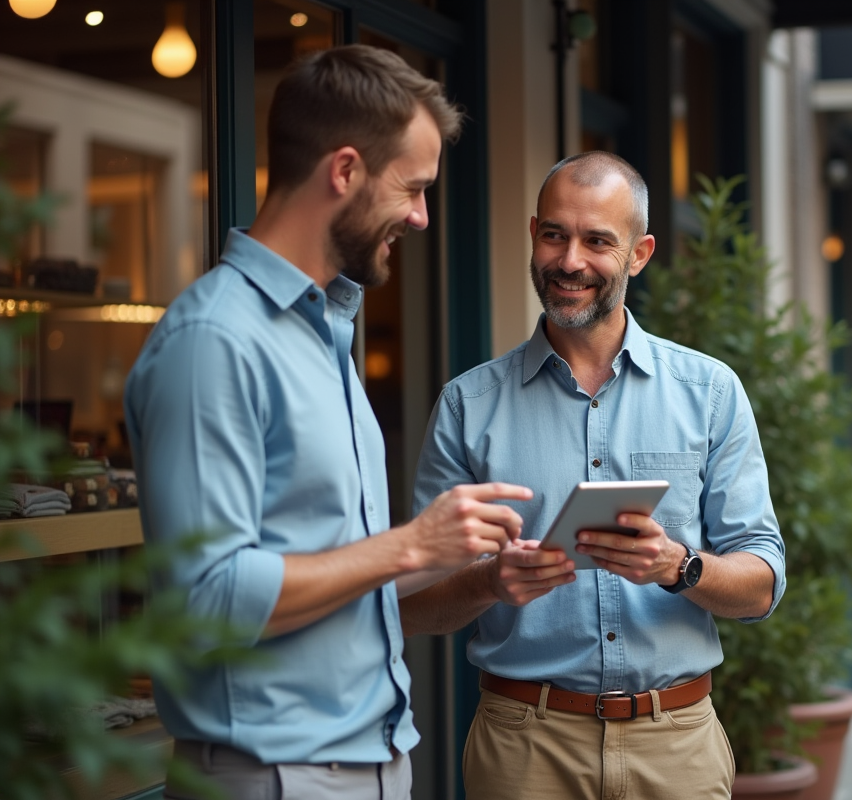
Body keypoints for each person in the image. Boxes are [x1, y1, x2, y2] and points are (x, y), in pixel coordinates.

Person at [125, 45, 532, 800]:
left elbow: (343, 579)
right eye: (411, 188)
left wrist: (472, 574)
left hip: (369, 763)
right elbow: (206, 602)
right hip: (276, 775)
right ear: (344, 171)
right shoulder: (214, 341)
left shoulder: (324, 331)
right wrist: (412, 544)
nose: (421, 216)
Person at [402, 152, 785, 800]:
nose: (570, 260)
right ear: (533, 235)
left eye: (597, 241)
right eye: (554, 234)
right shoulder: (468, 406)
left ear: (639, 253)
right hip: (524, 748)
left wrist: (678, 565)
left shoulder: (710, 392)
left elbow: (763, 584)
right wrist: (490, 581)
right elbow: (414, 604)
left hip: (677, 744)